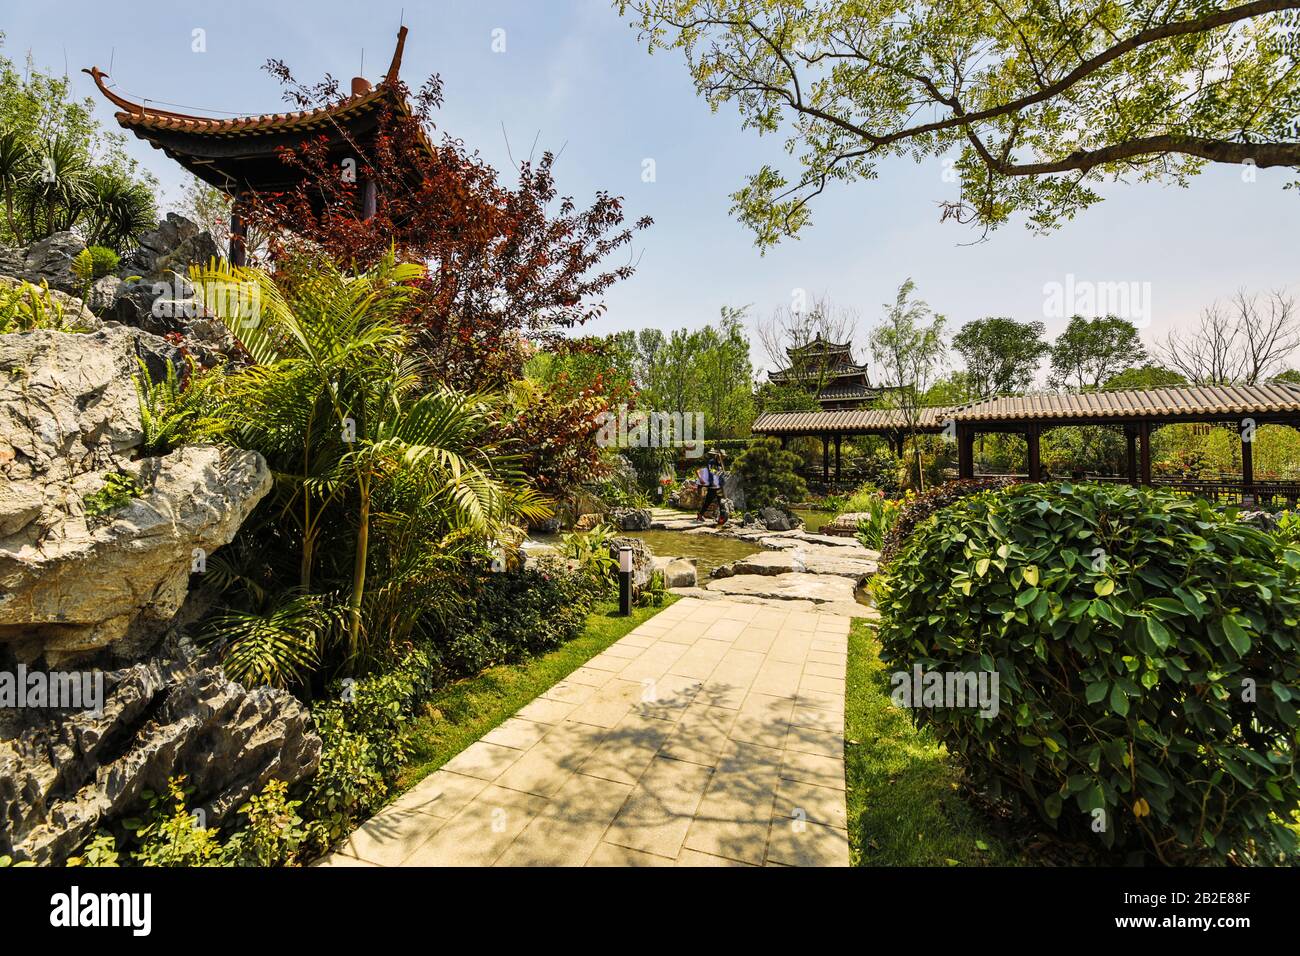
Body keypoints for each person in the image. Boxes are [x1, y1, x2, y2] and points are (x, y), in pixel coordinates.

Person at [696, 452, 725, 523]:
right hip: (713, 487)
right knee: (708, 502)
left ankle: (721, 518)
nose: (723, 457)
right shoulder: (711, 462)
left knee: (720, 502)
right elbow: (711, 473)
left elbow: (721, 474)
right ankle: (700, 515)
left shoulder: (720, 463)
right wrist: (713, 483)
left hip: (718, 487)